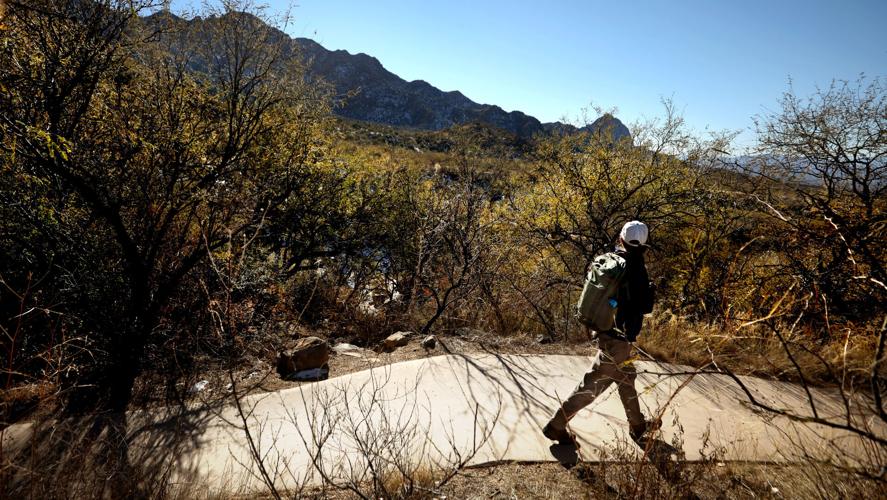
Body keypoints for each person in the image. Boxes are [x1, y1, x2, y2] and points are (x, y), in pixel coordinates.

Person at [543, 220, 655, 445]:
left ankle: (638, 426)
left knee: (626, 378)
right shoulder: (636, 269)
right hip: (618, 339)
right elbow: (645, 307)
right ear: (644, 244)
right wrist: (650, 291)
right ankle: (556, 425)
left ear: (621, 239)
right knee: (593, 385)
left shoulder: (613, 260)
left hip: (608, 331)